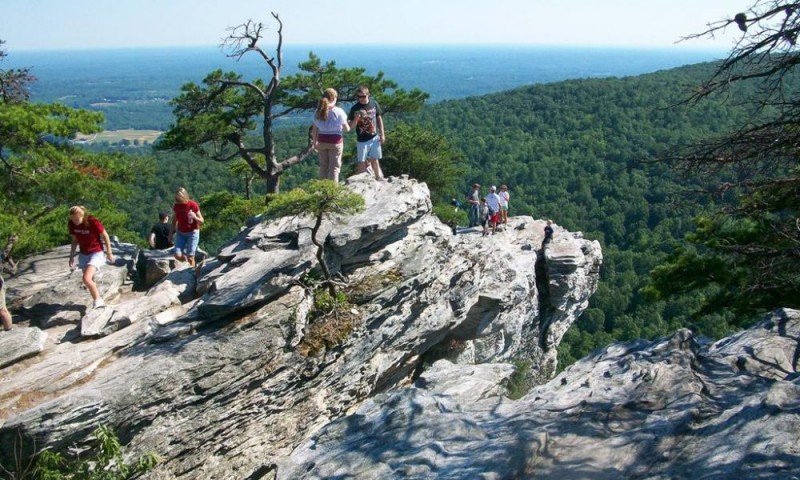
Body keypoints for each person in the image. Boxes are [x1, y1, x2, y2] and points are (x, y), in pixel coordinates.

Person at [68, 206, 115, 309]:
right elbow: (74, 240)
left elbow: (105, 235)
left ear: (82, 215)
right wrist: (71, 256)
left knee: (86, 279)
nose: (75, 222)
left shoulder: (92, 221)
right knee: (90, 279)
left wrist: (109, 253)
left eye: (77, 219)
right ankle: (96, 299)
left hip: (96, 252)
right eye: (73, 219)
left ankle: (98, 301)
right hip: (84, 253)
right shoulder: (71, 223)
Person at [312, 88, 350, 183]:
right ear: (333, 97)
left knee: (323, 166)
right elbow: (346, 129)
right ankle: (332, 192)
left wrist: (314, 142)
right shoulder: (339, 111)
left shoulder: (318, 112)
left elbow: (314, 130)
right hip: (335, 142)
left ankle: (322, 189)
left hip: (321, 141)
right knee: (334, 168)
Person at [348, 86, 385, 181]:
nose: (361, 99)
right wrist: (356, 119)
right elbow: (350, 126)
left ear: (368, 95)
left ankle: (378, 177)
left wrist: (382, 133)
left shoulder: (374, 104)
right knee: (361, 161)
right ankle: (362, 180)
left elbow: (378, 118)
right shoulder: (354, 108)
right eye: (359, 97)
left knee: (375, 159)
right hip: (362, 139)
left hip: (374, 137)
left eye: (363, 96)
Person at [169, 187, 204, 267]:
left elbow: (202, 221)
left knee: (190, 257)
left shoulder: (192, 205)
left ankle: (192, 271)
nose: (178, 200)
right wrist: (170, 234)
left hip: (193, 232)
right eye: (176, 198)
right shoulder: (176, 206)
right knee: (177, 254)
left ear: (184, 196)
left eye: (179, 198)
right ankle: (187, 263)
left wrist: (195, 217)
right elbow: (174, 221)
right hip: (181, 233)